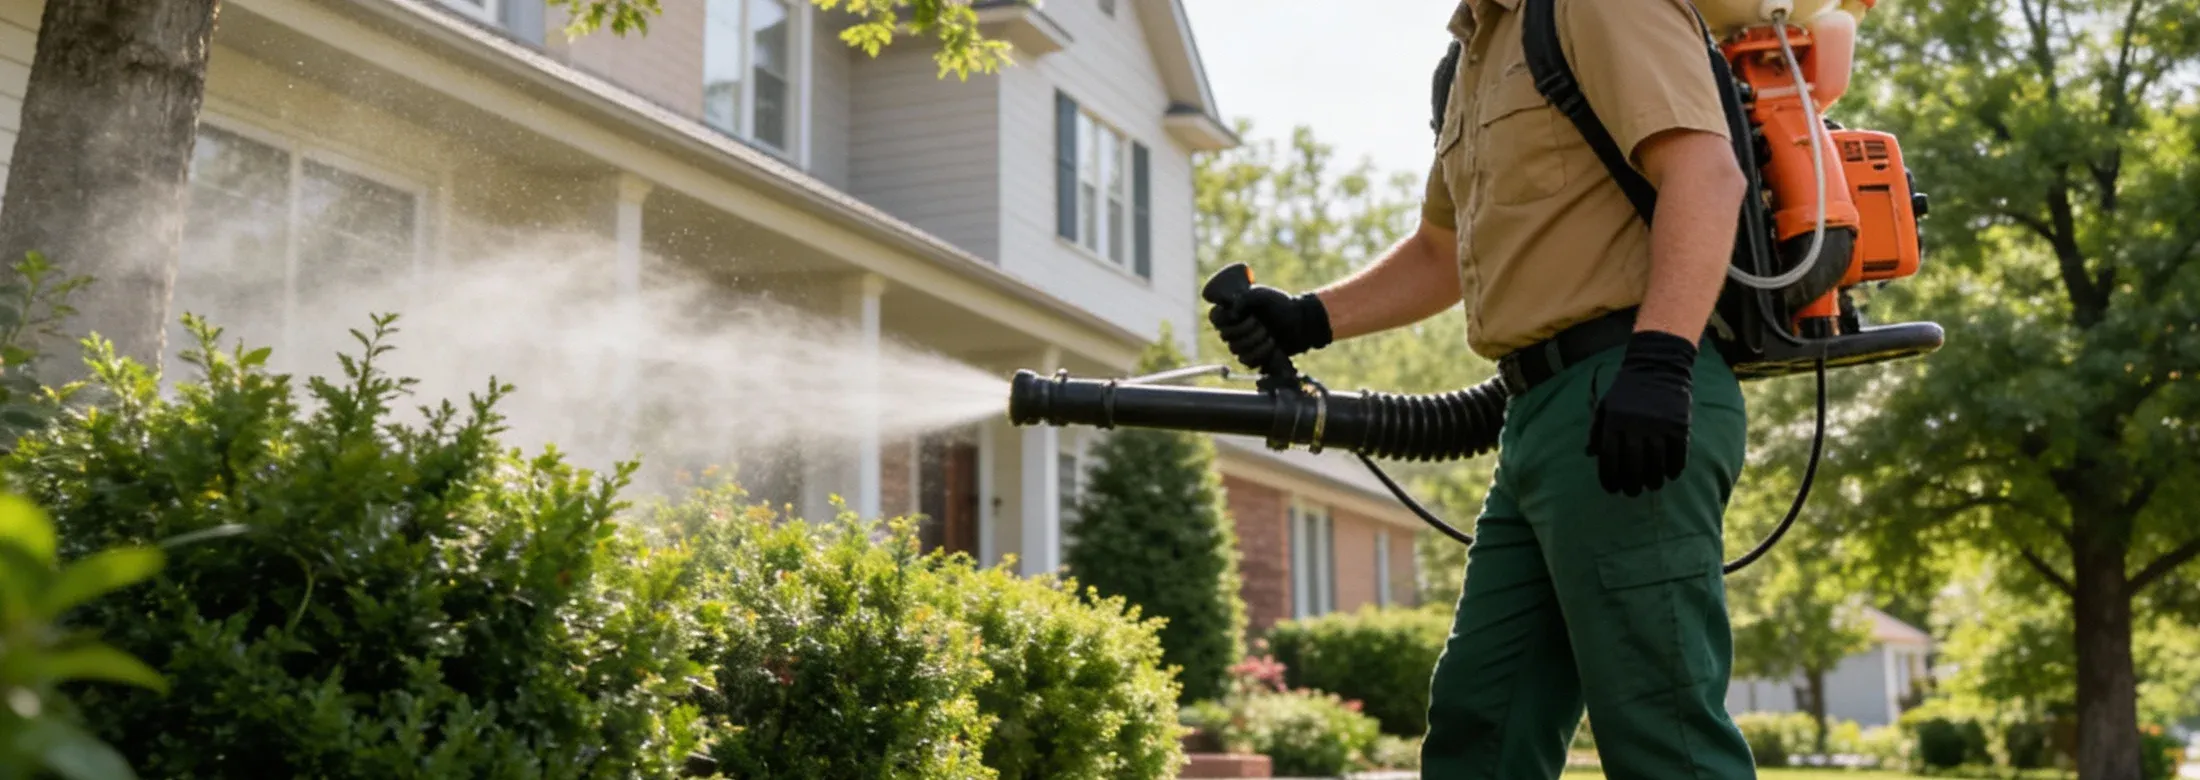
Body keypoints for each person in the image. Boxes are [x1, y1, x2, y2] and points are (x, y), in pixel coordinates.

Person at [1204, 0, 1759, 777]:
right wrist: (1308, 317)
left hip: (1627, 389)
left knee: (1660, 727)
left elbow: (1704, 172)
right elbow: (1441, 249)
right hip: (1535, 414)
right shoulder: (1474, 54)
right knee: (1483, 722)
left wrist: (1661, 362)